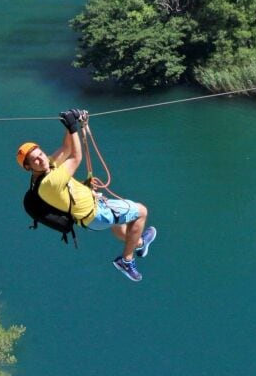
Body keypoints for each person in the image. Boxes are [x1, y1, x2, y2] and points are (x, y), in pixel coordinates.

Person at [16, 108, 157, 282]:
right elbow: (76, 157)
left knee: (121, 228)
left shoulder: (48, 166)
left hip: (92, 213)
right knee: (141, 212)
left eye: (41, 154)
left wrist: (69, 124)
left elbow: (67, 147)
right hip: (96, 214)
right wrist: (73, 126)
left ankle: (140, 244)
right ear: (28, 168)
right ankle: (127, 261)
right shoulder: (48, 183)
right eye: (35, 160)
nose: (42, 158)